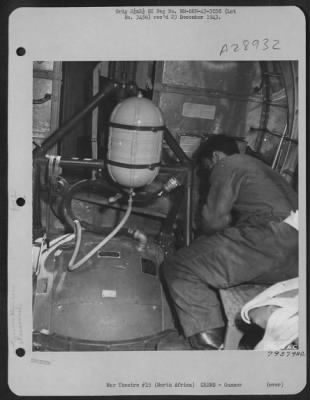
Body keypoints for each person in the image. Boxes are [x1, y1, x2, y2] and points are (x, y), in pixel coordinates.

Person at [160, 134, 298, 350]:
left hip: (270, 238)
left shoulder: (227, 164)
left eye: (206, 167)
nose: (208, 173)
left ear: (215, 156)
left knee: (180, 266)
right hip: (297, 258)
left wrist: (200, 227)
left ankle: (210, 348)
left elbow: (214, 221)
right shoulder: (267, 170)